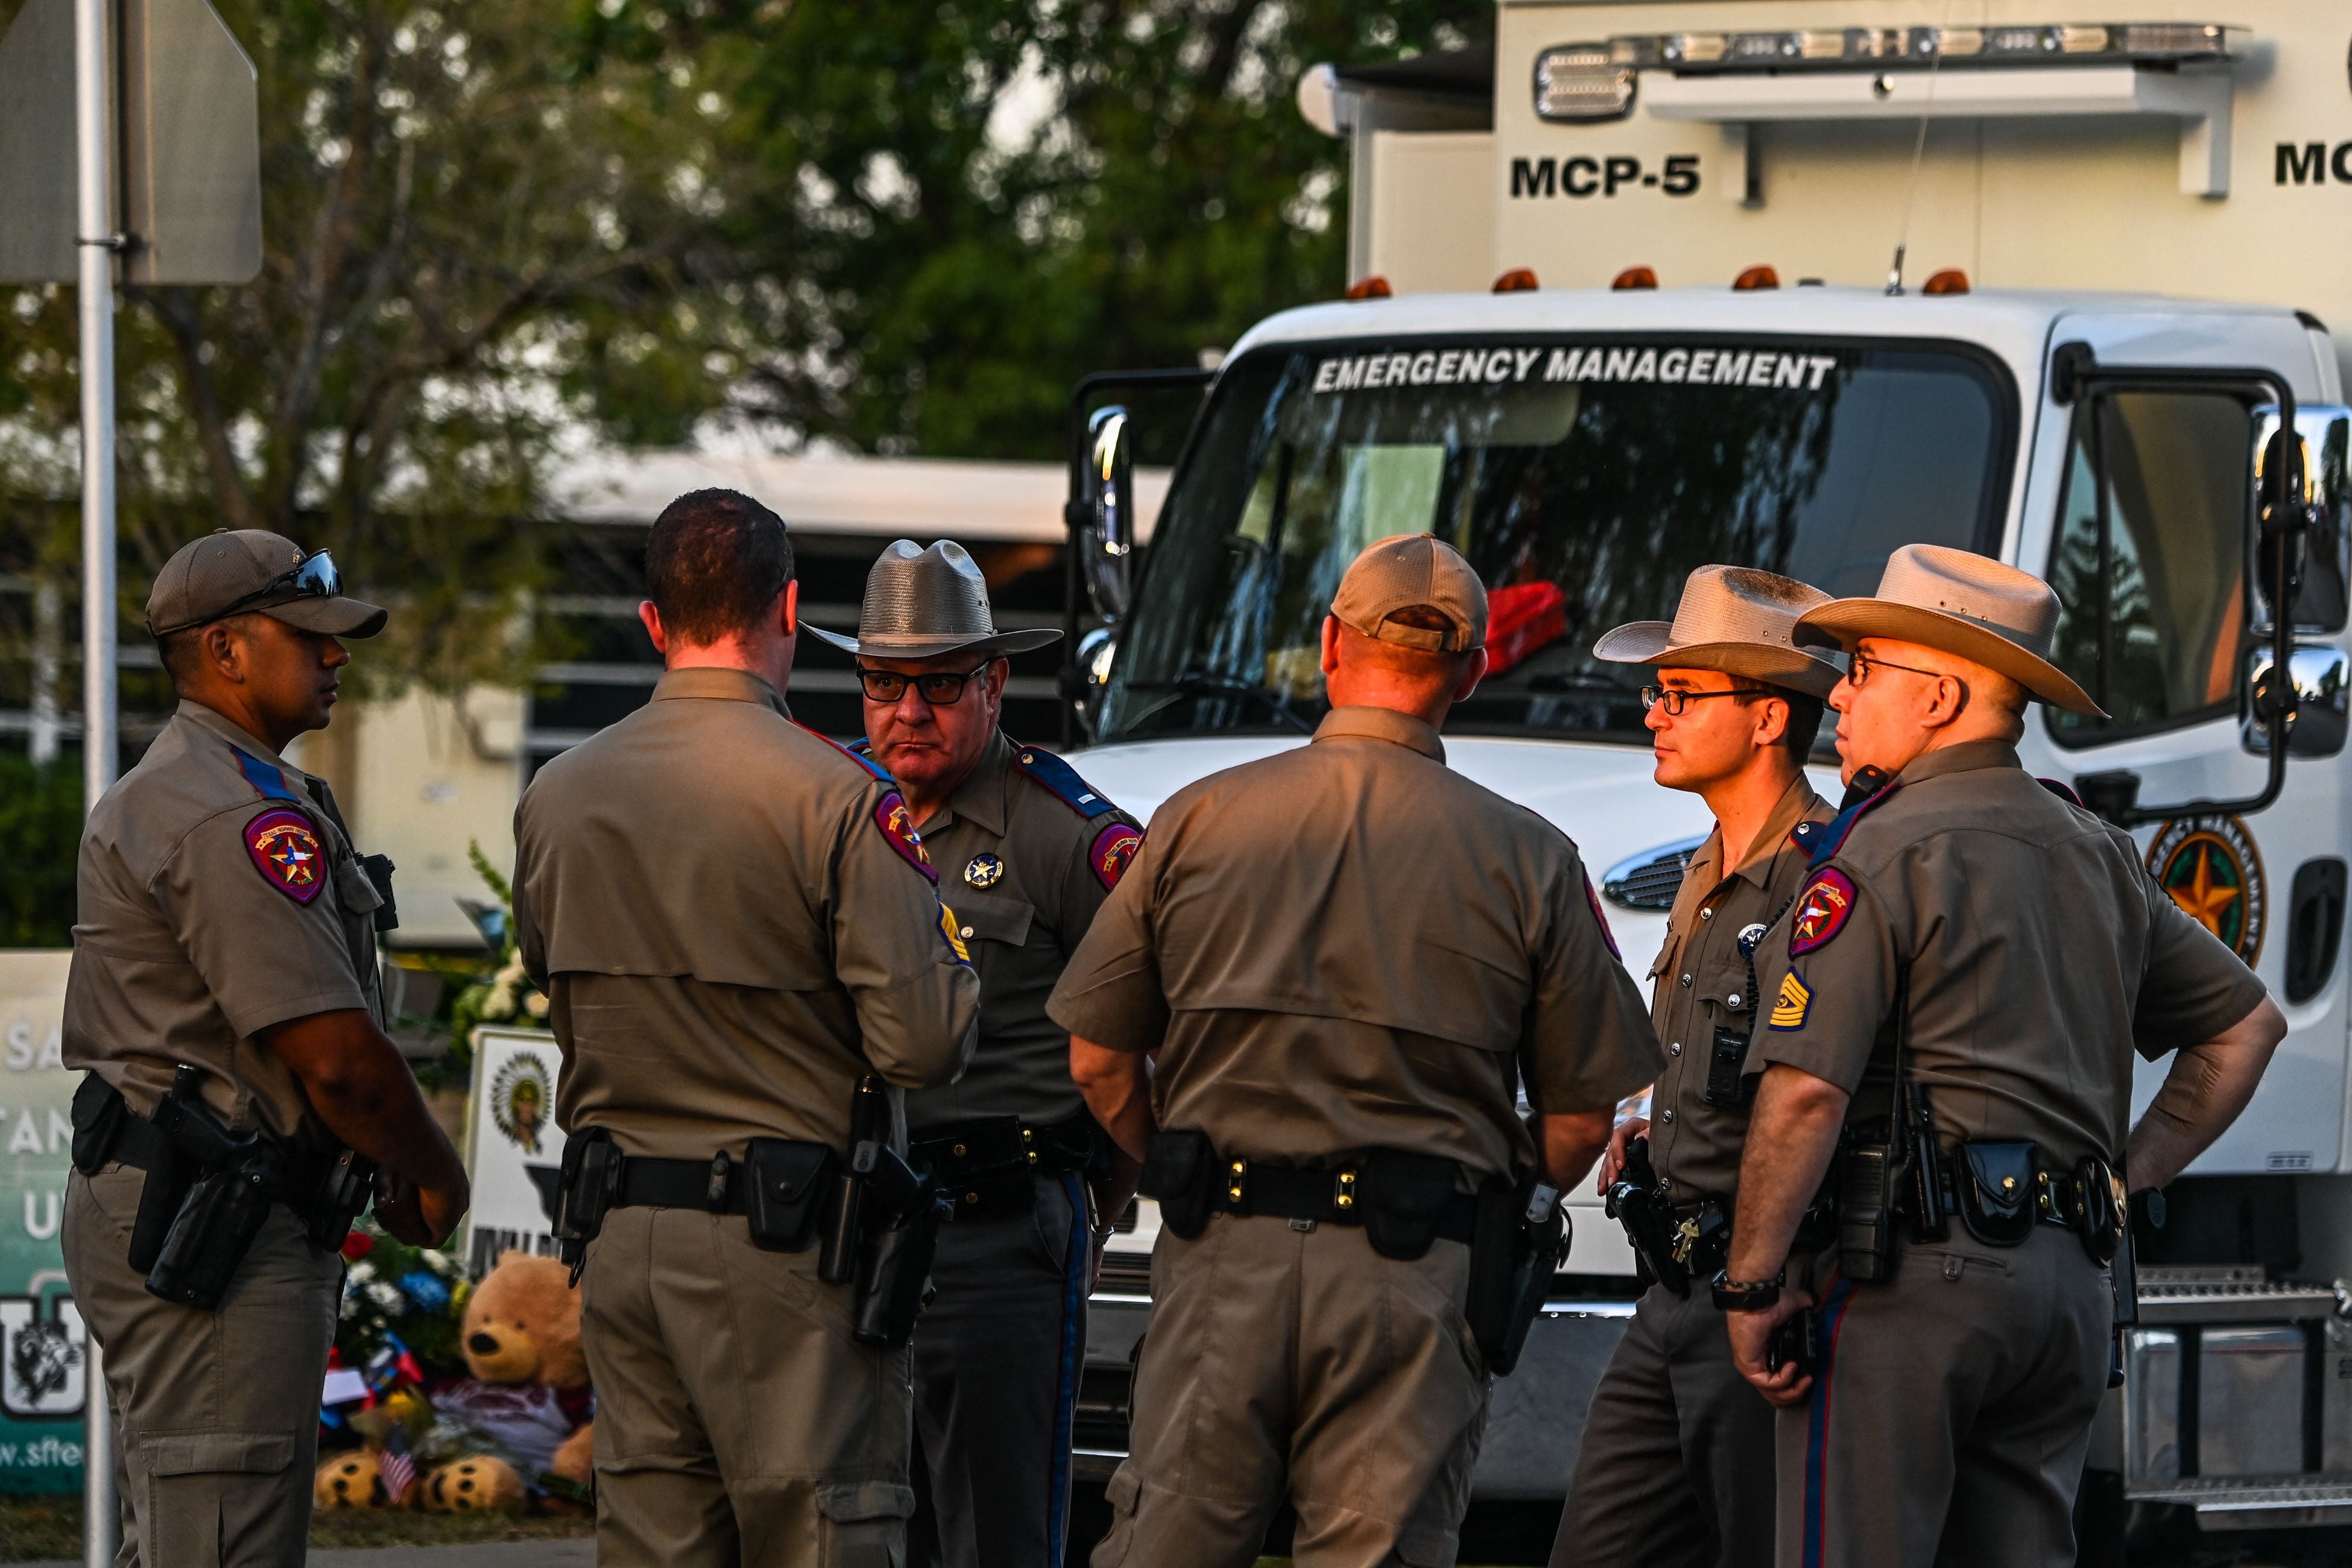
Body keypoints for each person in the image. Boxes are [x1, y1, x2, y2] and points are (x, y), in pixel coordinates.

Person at [1051, 534, 1662, 1568]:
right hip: (1414, 1278)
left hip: (1219, 1261)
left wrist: (1177, 1159)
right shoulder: (1534, 859)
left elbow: (1098, 1062)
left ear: (1330, 644)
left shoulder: (1197, 819)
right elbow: (1576, 1126)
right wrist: (1480, 1185)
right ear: (1471, 671)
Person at [1721, 544, 2288, 1568]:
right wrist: (2130, 1169)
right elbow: (2246, 1027)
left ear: (1938, 696)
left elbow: (1805, 1094)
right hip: (2069, 1288)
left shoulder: (1880, 850)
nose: (1838, 699)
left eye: (1862, 670)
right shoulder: (2102, 852)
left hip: (1910, 1284)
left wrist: (1753, 1284)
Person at [512, 490, 981, 1568]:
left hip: (621, 1238)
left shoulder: (559, 793)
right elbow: (922, 1043)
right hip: (787, 1256)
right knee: (824, 1535)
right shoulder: (839, 796)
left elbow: (551, 976)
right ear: (790, 608)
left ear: (651, 621)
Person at [63, 530, 471, 1567]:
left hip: (217, 1199)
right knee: (220, 1535)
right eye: (310, 635)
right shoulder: (224, 813)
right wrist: (431, 1167)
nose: (338, 656)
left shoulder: (232, 787)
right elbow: (336, 1056)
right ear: (228, 650)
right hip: (213, 1213)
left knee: (193, 1525)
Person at [809, 539, 1144, 1568]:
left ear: (995, 682)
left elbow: (1152, 1031)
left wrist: (1103, 1190)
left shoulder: (1067, 837)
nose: (908, 711)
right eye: (883, 683)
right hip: (851, 1232)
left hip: (1001, 1236)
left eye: (941, 684)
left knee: (993, 1537)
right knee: (853, 1527)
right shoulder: (827, 809)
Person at [1553, 566, 1842, 1568]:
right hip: (1669, 1289)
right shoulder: (1706, 870)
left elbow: (1816, 1087)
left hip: (1755, 1296)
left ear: (1768, 719)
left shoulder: (1820, 878)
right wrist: (1649, 1112)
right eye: (1656, 693)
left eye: (1682, 696)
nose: (1654, 717)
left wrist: (1760, 1282)